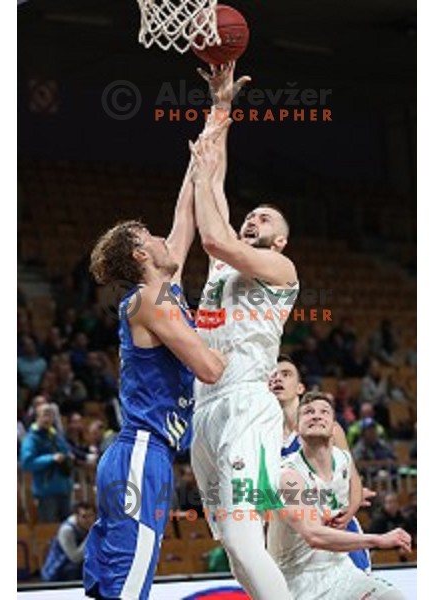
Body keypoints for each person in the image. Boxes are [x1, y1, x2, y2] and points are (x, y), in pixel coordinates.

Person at [83, 120, 228, 600]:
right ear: (140, 250)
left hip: (148, 456)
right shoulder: (152, 300)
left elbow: (183, 215)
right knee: (127, 588)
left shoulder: (162, 290)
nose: (167, 237)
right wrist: (241, 351)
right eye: (153, 235)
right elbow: (209, 369)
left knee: (119, 585)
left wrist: (210, 133)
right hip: (140, 454)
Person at [189, 62, 298, 600]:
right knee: (234, 548)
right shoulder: (226, 263)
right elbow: (213, 181)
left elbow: (213, 235)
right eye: (250, 215)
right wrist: (220, 109)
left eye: (266, 220)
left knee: (241, 532)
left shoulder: (281, 271)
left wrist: (206, 175)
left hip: (247, 405)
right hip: (204, 407)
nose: (254, 220)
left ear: (279, 241)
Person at [267, 391, 410, 599]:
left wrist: (354, 502)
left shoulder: (343, 459)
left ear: (334, 427)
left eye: (324, 412)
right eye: (308, 412)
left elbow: (352, 489)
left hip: (341, 570)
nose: (316, 416)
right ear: (297, 429)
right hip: (297, 580)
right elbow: (313, 535)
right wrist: (378, 540)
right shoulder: (287, 476)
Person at [269, 354, 372, 572]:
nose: (278, 379)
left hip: (338, 527)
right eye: (273, 375)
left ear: (300, 387)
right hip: (296, 539)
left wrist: (349, 511)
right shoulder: (264, 438)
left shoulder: (328, 428)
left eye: (286, 374)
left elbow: (353, 478)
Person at [20, 403, 74, 523]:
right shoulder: (31, 439)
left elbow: (67, 451)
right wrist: (51, 458)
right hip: (46, 493)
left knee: (67, 528)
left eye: (51, 415)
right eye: (45, 415)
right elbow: (27, 463)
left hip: (64, 489)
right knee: (50, 531)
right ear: (37, 417)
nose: (48, 419)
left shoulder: (56, 436)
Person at [41, 502, 96, 581]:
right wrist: (91, 535)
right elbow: (75, 558)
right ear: (76, 517)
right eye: (84, 517)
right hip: (56, 572)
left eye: (91, 516)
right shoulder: (67, 530)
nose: (88, 520)